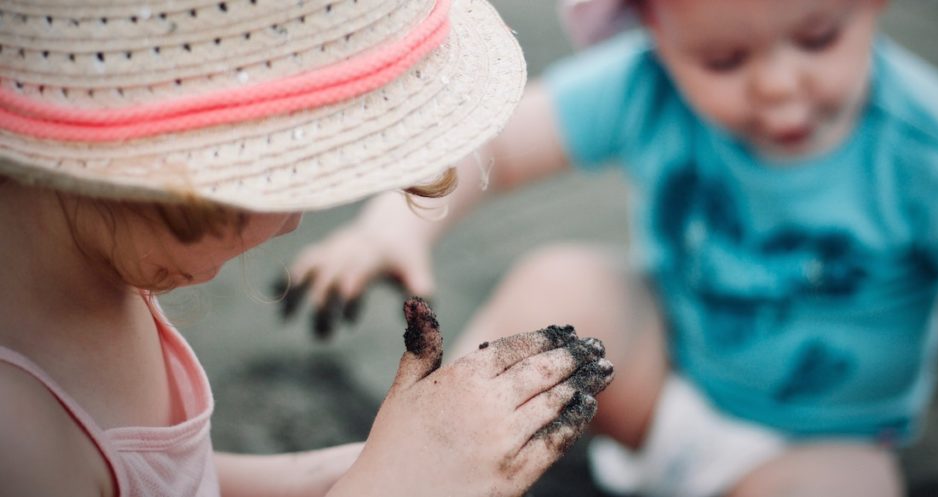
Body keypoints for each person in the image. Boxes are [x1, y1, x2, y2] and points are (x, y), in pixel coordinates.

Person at [283, 0, 938, 495]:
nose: (777, 83)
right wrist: (398, 223)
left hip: (816, 443)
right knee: (563, 280)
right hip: (658, 378)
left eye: (818, 37)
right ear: (654, 32)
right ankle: (453, 449)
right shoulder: (648, 83)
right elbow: (496, 151)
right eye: (724, 60)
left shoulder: (937, 153)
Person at [0, 1, 616, 496]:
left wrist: (335, 474)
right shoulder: (18, 441)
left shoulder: (84, 263)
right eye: (286, 177)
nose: (295, 221)